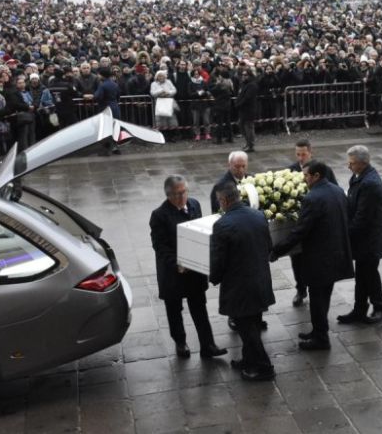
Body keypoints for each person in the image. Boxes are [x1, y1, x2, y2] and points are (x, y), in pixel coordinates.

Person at [271, 161, 354, 350]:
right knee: (324, 296)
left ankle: (321, 339)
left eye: (306, 175)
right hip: (337, 253)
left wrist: (277, 250)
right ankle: (318, 331)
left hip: (320, 258)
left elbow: (300, 231)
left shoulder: (312, 198)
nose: (303, 178)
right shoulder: (337, 190)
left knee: (317, 299)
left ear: (316, 176)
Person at [149, 175, 227, 359]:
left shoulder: (194, 204)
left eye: (184, 192)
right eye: (177, 194)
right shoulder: (159, 215)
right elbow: (159, 246)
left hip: (194, 270)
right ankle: (180, 342)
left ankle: (208, 345)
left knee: (199, 307)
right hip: (173, 272)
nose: (182, 196)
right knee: (174, 310)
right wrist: (177, 263)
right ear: (168, 195)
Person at [209, 183, 275, 381]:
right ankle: (248, 360)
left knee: (247, 330)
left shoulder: (222, 225)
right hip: (260, 280)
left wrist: (214, 278)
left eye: (219, 201)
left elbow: (218, 259)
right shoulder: (259, 215)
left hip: (239, 286)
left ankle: (264, 368)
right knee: (252, 323)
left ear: (224, 200)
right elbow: (268, 245)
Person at [338, 145, 382, 325]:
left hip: (369, 240)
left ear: (363, 163)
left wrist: (345, 235)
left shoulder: (370, 184)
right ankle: (359, 309)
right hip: (364, 239)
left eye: (352, 163)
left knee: (369, 274)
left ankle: (379, 307)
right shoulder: (359, 176)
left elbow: (363, 218)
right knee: (362, 275)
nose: (348, 166)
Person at [287, 139, 337, 307]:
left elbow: (334, 190)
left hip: (316, 222)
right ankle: (300, 289)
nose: (300, 158)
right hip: (299, 220)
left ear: (311, 152)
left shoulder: (323, 170)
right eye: (298, 154)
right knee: (296, 259)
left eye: (304, 154)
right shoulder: (291, 170)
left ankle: (316, 289)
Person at [235, 69, 258, 153]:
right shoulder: (243, 84)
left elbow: (247, 98)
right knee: (241, 125)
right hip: (242, 109)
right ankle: (247, 142)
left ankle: (251, 144)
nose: (243, 76)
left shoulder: (252, 85)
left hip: (249, 109)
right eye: (243, 75)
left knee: (248, 127)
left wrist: (239, 104)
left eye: (246, 75)